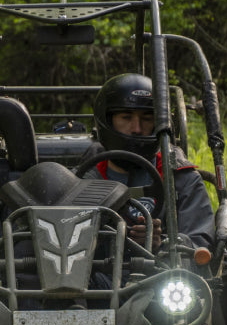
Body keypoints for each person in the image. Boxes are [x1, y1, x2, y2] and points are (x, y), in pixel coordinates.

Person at [85, 73, 215, 251]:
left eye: (147, 118)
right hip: (94, 276)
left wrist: (162, 243)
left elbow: (202, 245)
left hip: (162, 276)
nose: (137, 129)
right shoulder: (82, 180)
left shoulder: (182, 180)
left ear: (158, 123)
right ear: (107, 120)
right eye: (126, 117)